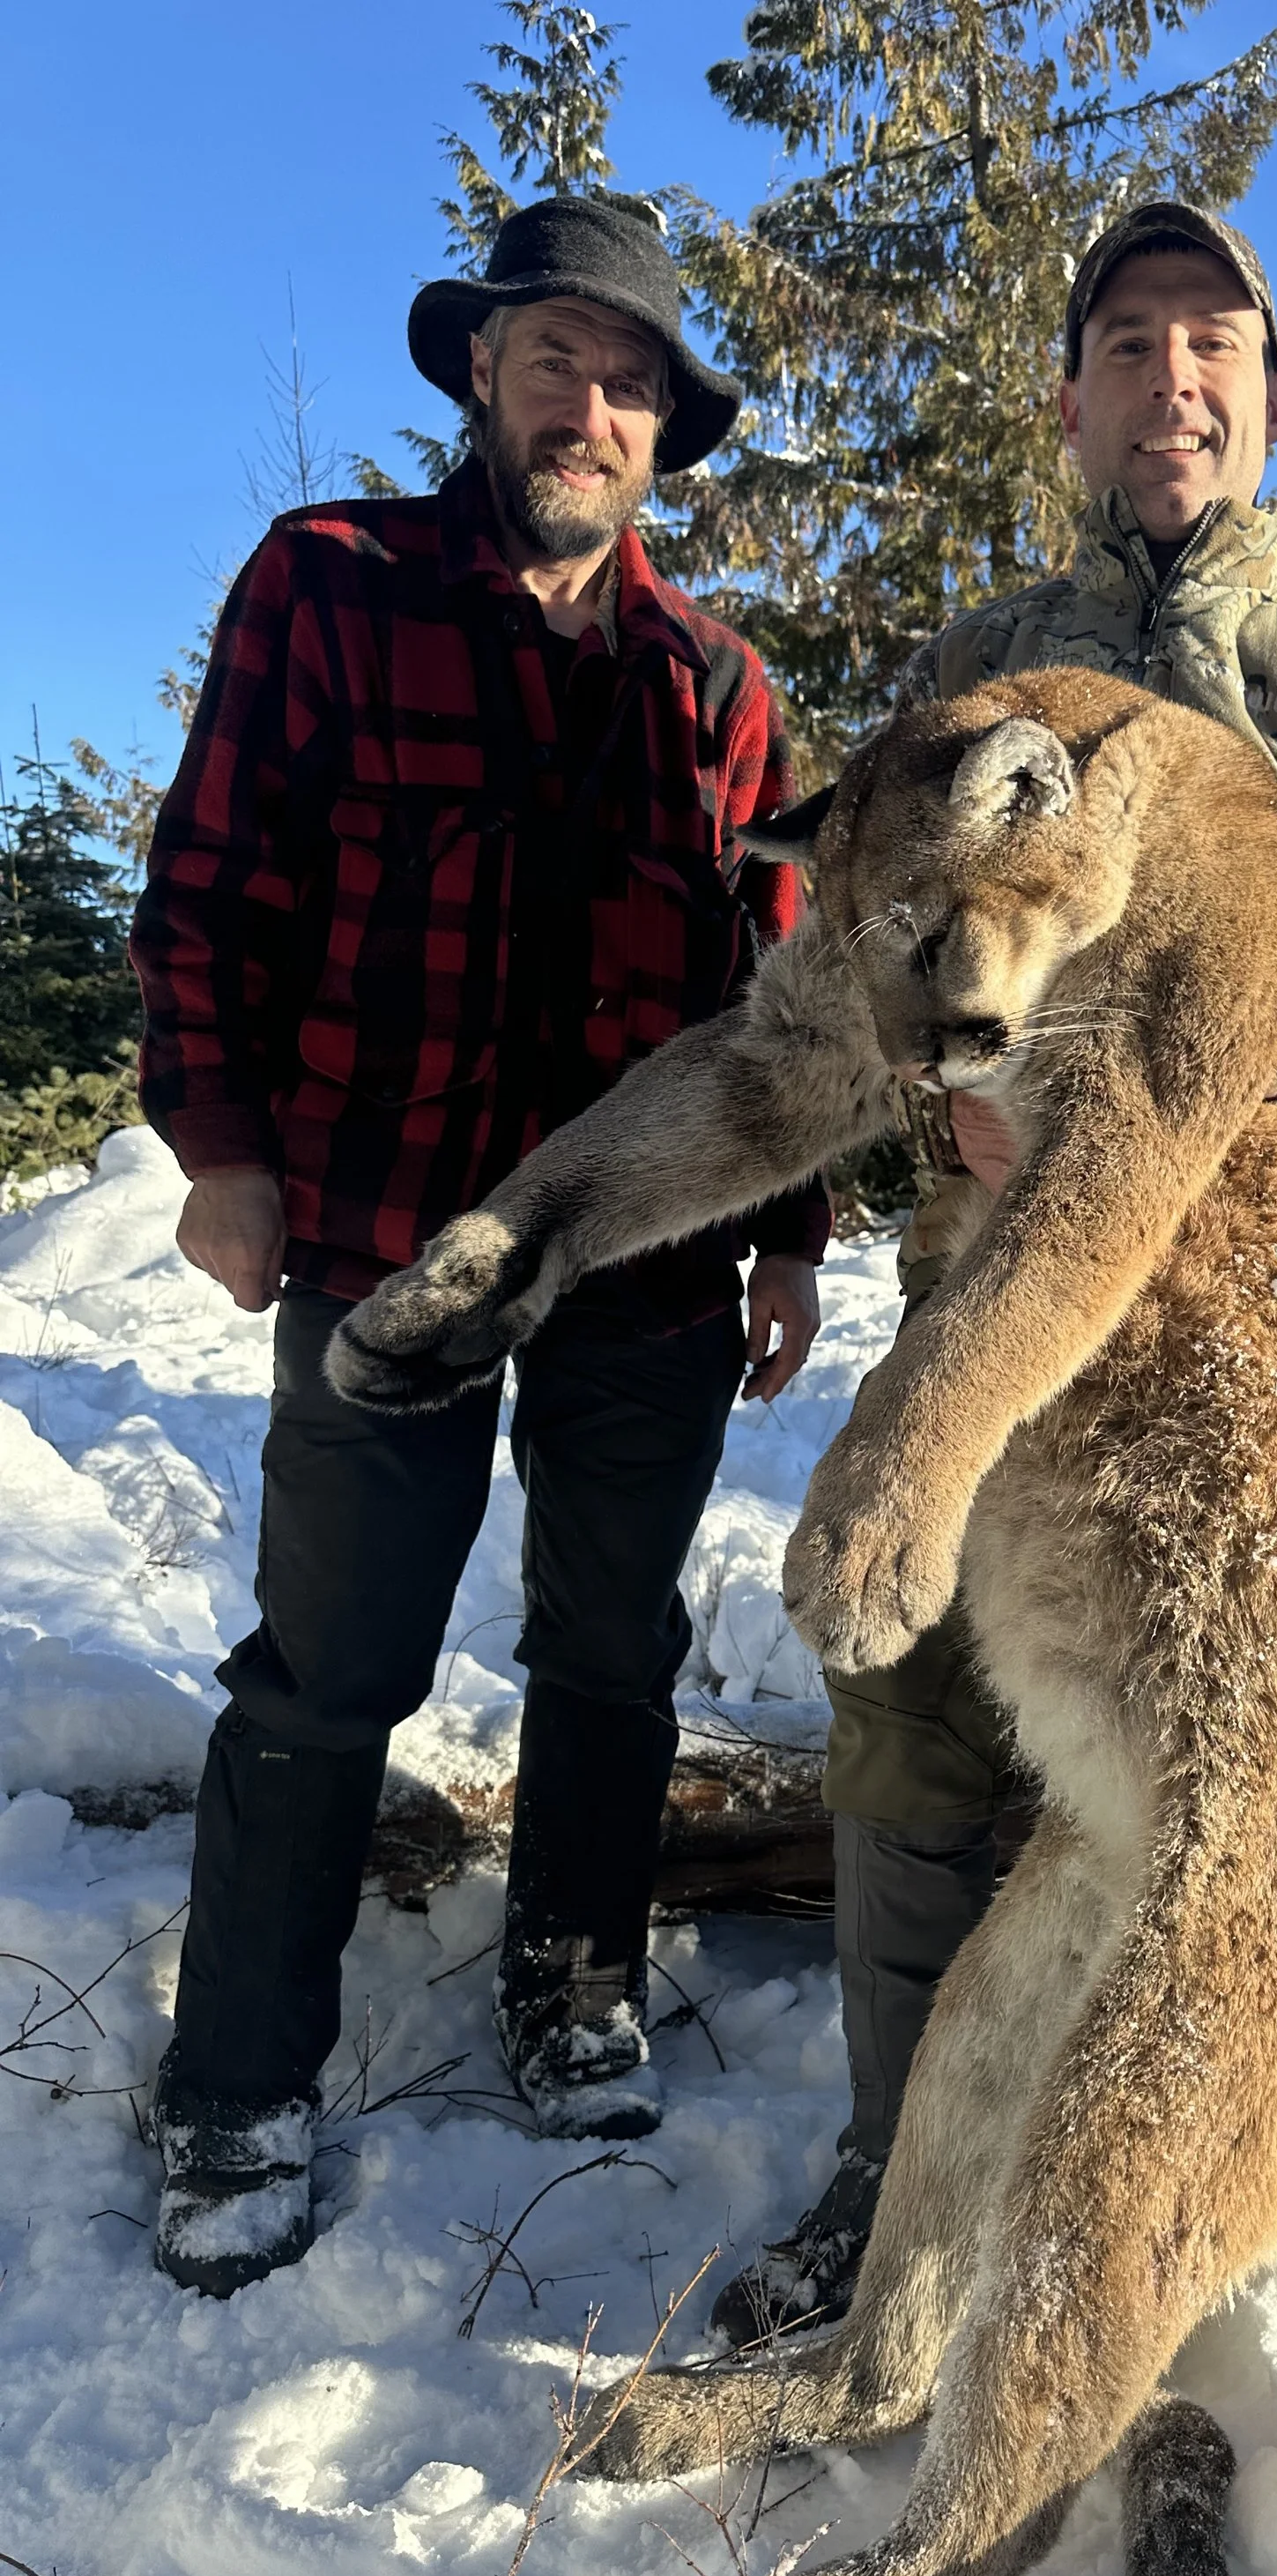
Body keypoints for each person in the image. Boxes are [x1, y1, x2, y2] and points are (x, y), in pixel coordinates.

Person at [714, 201, 1277, 2365]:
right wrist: (944, 1082)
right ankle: (905, 2175)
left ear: (1267, 395)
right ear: (1068, 398)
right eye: (1125, 340)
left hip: (1260, 1326)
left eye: (1211, 342)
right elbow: (872, 946)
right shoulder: (975, 659)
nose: (1170, 374)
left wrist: (1140, 1081)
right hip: (987, 1279)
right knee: (921, 1725)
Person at [133, 196, 826, 2296]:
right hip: (373, 1213)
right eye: (558, 361)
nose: (590, 406)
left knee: (610, 1650)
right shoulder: (329, 585)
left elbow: (777, 999)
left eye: (629, 383)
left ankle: (575, 1983)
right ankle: (239, 2078)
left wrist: (788, 1234)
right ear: (482, 374)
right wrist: (221, 1147)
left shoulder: (714, 685)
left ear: (660, 429)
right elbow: (209, 881)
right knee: (328, 1663)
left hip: (639, 1250)